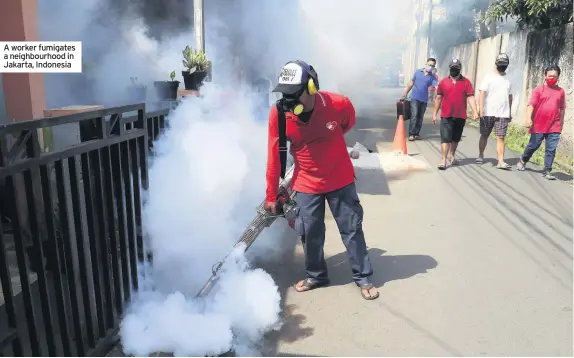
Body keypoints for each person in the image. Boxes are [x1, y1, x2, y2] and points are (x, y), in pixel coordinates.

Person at [264, 60, 379, 300]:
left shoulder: (338, 104)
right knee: (310, 232)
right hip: (306, 182)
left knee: (352, 228)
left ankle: (363, 277)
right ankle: (316, 275)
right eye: (284, 95)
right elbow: (274, 157)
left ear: (312, 87)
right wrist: (271, 195)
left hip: (340, 178)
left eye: (293, 95)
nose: (288, 102)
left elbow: (346, 124)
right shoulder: (279, 114)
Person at [517, 64, 566, 180]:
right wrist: (528, 118)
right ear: (545, 76)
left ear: (558, 77)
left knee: (551, 149)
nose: (552, 78)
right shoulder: (539, 90)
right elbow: (531, 105)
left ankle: (547, 171)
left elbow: (562, 108)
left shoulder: (561, 92)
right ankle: (523, 159)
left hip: (554, 125)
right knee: (533, 145)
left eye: (554, 76)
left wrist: (561, 123)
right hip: (538, 124)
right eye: (549, 76)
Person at [432, 58, 479, 170]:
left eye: (456, 68)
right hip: (446, 115)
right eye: (452, 68)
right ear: (450, 69)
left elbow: (471, 97)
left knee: (455, 139)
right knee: (445, 138)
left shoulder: (466, 82)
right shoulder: (443, 82)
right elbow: (438, 98)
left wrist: (475, 111)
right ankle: (443, 160)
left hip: (460, 115)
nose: (454, 70)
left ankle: (452, 156)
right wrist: (435, 113)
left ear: (459, 69)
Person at [476, 53, 513, 169]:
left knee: (501, 137)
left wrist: (509, 112)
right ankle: (481, 154)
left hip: (503, 113)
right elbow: (482, 93)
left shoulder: (509, 79)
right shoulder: (489, 77)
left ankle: (500, 161)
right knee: (484, 135)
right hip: (488, 112)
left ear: (507, 65)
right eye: (500, 63)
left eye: (504, 63)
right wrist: (480, 109)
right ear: (496, 64)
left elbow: (510, 96)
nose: (502, 65)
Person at [403, 57, 438, 141]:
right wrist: (406, 92)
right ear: (426, 64)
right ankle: (411, 134)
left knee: (420, 117)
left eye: (432, 66)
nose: (430, 67)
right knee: (414, 115)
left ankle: (416, 133)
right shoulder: (418, 72)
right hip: (414, 97)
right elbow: (412, 83)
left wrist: (442, 94)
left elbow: (437, 87)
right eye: (429, 65)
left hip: (424, 100)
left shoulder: (432, 77)